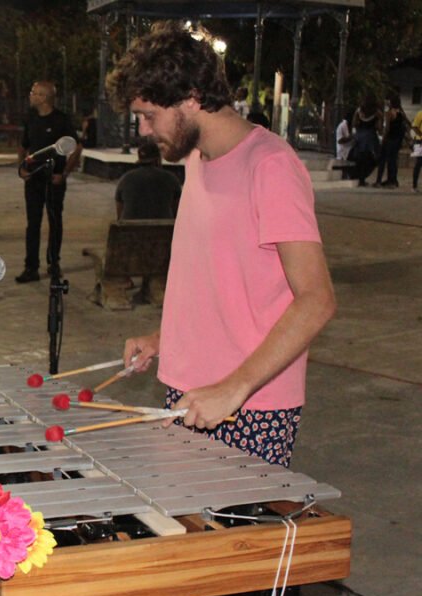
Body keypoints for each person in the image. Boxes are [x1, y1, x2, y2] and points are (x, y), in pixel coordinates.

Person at [108, 23, 336, 469]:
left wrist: (235, 387)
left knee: (237, 538)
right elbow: (216, 279)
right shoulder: (196, 160)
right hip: (189, 388)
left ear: (191, 98)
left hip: (249, 402)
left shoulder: (270, 166)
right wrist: (166, 338)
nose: (143, 129)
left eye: (149, 114)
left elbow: (317, 299)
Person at [15, 81, 82, 283]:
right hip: (34, 178)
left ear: (44, 97)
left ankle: (54, 263)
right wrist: (22, 168)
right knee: (32, 224)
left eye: (34, 93)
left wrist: (64, 174)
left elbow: (76, 148)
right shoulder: (30, 118)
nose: (31, 96)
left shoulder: (61, 120)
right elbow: (23, 145)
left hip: (54, 179)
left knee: (54, 221)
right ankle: (31, 267)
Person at [115, 141, 180, 220]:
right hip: (162, 230)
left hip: (130, 230)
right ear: (158, 159)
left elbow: (119, 214)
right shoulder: (171, 178)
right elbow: (176, 213)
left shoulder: (125, 179)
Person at [374, 93, 408, 188]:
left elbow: (387, 128)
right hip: (397, 139)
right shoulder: (400, 113)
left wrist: (383, 138)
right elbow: (405, 124)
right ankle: (392, 180)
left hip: (390, 139)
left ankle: (383, 181)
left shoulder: (389, 113)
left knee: (385, 159)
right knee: (393, 160)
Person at [351, 95, 382, 187]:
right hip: (371, 138)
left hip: (360, 136)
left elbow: (354, 123)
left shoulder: (359, 111)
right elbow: (379, 127)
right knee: (372, 158)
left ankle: (360, 179)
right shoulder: (377, 113)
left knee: (359, 158)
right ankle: (363, 178)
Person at [412, 107, 422, 193]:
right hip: (419, 141)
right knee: (418, 163)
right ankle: (414, 185)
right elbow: (415, 127)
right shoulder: (420, 113)